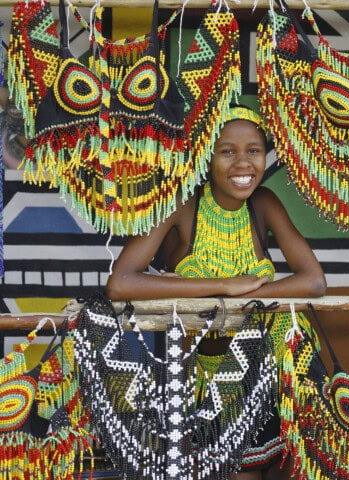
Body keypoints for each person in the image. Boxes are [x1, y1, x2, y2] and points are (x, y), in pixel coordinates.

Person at [106, 105, 327, 480]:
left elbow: (314, 281)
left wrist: (247, 296)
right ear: (206, 156)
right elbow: (121, 283)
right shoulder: (182, 204)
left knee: (251, 472)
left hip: (263, 373)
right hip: (194, 378)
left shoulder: (264, 204)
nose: (243, 163)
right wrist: (223, 286)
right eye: (228, 151)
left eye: (254, 151)